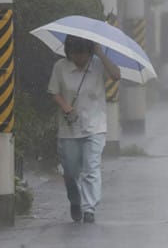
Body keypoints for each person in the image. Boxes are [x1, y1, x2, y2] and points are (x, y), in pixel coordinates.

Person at [47, 35, 121, 223]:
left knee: (91, 167)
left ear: (89, 52)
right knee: (71, 172)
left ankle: (89, 209)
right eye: (75, 54)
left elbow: (116, 75)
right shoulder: (60, 67)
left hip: (95, 126)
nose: (80, 59)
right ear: (69, 53)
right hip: (69, 129)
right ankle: (75, 200)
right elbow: (54, 92)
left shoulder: (97, 64)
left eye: (84, 54)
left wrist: (100, 54)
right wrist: (65, 107)